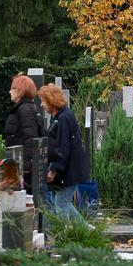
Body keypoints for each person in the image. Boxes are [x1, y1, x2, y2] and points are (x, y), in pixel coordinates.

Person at [39, 84, 90, 216]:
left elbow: (63, 146)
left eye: (44, 101)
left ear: (51, 100)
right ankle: (86, 230)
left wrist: (54, 169)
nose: (41, 105)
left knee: (61, 203)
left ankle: (65, 235)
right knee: (63, 202)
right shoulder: (58, 116)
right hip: (68, 168)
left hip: (69, 169)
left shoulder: (63, 118)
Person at [2, 74, 41, 189]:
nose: (10, 91)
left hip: (24, 167)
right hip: (19, 162)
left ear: (20, 90)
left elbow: (30, 138)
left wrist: (26, 166)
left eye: (12, 88)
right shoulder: (24, 108)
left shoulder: (25, 110)